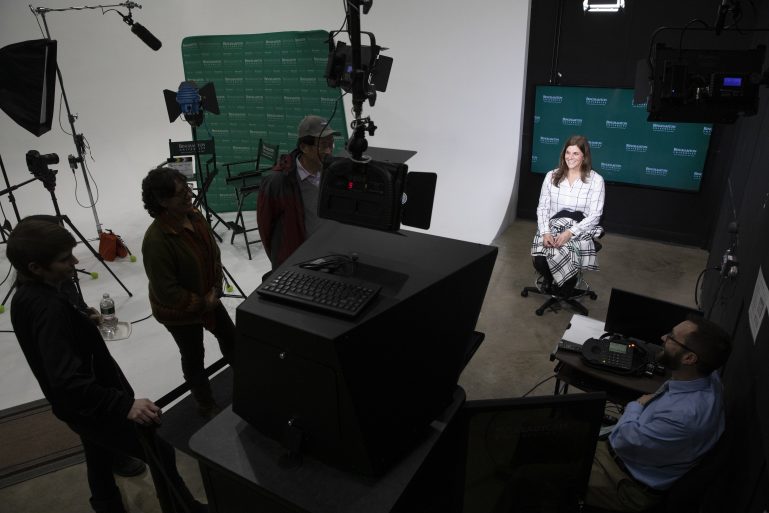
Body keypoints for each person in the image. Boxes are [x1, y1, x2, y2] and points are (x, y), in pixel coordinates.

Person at [7, 218, 205, 513]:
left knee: (97, 450)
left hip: (79, 408)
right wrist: (123, 404)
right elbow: (67, 380)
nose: (75, 262)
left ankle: (106, 504)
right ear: (35, 267)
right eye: (65, 259)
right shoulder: (48, 310)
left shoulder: (29, 294)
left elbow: (53, 346)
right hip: (92, 406)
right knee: (159, 451)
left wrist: (79, 320)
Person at [586, 316, 731, 512]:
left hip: (623, 480)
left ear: (689, 358)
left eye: (672, 337)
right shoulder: (709, 377)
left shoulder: (683, 417)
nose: (663, 337)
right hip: (625, 456)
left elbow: (622, 440)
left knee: (547, 472)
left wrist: (636, 406)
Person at [141, 167, 235, 418]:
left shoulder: (194, 216)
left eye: (188, 189)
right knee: (194, 358)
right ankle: (206, 405)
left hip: (209, 298)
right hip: (180, 313)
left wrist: (215, 289)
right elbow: (167, 291)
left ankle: (249, 381)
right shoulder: (156, 241)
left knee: (232, 339)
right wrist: (203, 303)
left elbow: (213, 255)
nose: (190, 196)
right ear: (162, 201)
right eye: (181, 193)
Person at [257, 115, 340, 270]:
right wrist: (282, 262)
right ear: (304, 147)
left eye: (331, 144)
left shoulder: (334, 173)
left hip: (332, 260)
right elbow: (266, 229)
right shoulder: (278, 182)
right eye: (323, 145)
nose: (329, 151)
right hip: (299, 265)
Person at [531, 135, 605, 293]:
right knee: (541, 258)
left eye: (575, 153)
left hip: (580, 227)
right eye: (568, 152)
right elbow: (542, 208)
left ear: (584, 156)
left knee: (564, 252)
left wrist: (570, 232)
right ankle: (551, 280)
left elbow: (595, 215)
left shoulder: (596, 180)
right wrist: (545, 232)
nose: (570, 157)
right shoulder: (551, 176)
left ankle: (565, 284)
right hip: (553, 225)